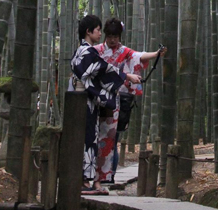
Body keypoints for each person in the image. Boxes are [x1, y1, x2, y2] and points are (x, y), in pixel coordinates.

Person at [70, 14, 141, 194]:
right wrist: (126, 77)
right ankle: (85, 182)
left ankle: (93, 182)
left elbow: (104, 69)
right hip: (84, 101)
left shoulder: (84, 51)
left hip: (86, 101)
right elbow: (104, 70)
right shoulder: (88, 52)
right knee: (87, 140)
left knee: (92, 139)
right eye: (98, 30)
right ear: (88, 31)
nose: (100, 34)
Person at [94, 17, 167, 187]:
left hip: (119, 102)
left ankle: (108, 175)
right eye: (110, 36)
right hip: (98, 100)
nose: (112, 40)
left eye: (116, 36)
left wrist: (156, 54)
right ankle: (96, 175)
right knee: (96, 137)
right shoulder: (96, 51)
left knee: (112, 138)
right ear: (105, 35)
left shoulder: (124, 52)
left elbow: (139, 56)